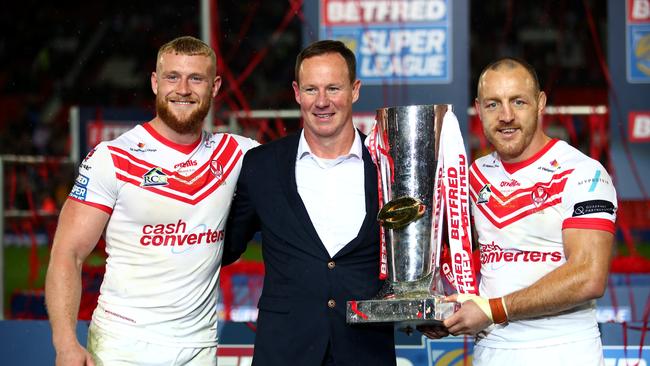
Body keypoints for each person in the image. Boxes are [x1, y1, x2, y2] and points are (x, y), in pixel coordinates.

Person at [45, 36, 258, 366]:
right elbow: (67, 253)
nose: (183, 89)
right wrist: (65, 343)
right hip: (123, 345)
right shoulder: (113, 157)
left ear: (214, 87)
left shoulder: (238, 154)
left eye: (196, 78)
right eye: (172, 77)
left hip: (200, 346)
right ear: (155, 83)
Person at [422, 57, 618, 365]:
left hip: (565, 352)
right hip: (492, 352)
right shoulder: (472, 176)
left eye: (518, 101)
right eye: (493, 105)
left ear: (540, 103)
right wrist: (444, 311)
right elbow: (452, 260)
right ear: (478, 108)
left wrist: (492, 309)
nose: (506, 116)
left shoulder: (582, 173)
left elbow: (588, 276)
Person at [222, 40, 396, 366]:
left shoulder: (388, 165)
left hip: (366, 352)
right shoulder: (261, 166)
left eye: (333, 88)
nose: (322, 102)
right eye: (311, 89)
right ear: (296, 92)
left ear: (355, 90)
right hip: (284, 352)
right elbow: (224, 246)